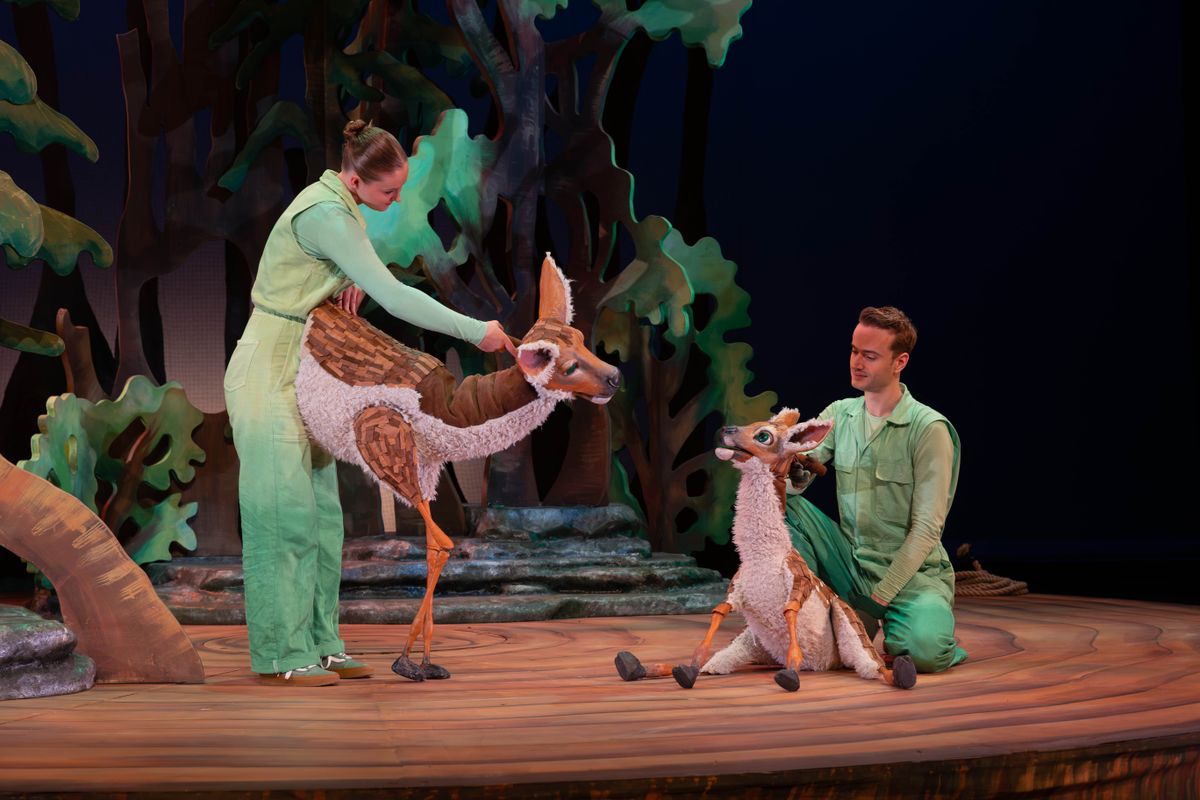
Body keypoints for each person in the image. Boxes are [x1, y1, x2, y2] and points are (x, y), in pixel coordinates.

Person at [223, 120, 516, 687]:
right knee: (283, 513)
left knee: (323, 516)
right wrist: (474, 330)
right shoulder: (324, 214)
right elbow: (394, 295)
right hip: (269, 366)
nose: (396, 200)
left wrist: (342, 281)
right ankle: (283, 653)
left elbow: (343, 272)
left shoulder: (344, 207)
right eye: (389, 190)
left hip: (310, 366)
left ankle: (322, 642)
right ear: (355, 180)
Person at [785, 306, 967, 673]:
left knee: (925, 652)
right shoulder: (841, 414)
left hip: (912, 578)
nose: (856, 362)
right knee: (777, 501)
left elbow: (927, 528)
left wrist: (880, 598)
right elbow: (795, 484)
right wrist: (783, 465)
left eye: (869, 356)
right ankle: (810, 601)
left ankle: (909, 633)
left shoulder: (929, 429)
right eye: (854, 351)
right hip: (852, 568)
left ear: (900, 362)